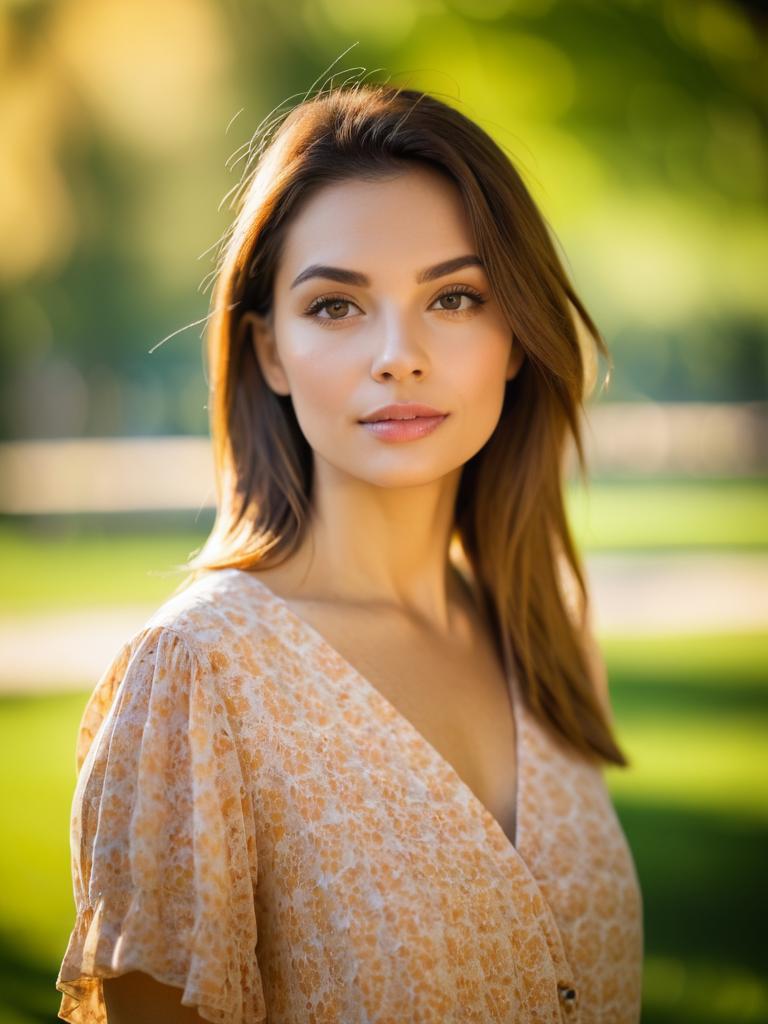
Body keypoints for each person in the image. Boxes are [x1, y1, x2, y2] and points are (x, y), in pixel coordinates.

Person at [56, 80, 643, 1023]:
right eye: (336, 306)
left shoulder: (548, 640)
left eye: (454, 297)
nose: (398, 356)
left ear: (517, 338)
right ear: (270, 353)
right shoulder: (198, 678)